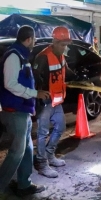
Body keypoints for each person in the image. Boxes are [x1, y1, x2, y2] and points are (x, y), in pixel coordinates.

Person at [0, 25, 49, 196]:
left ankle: (24, 184)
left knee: (27, 150)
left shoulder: (22, 55)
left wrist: (31, 106)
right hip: (14, 111)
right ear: (28, 39)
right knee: (17, 152)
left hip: (23, 110)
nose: (35, 42)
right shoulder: (14, 56)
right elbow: (10, 84)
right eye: (34, 39)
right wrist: (35, 94)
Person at [33, 26, 77, 178]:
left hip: (57, 101)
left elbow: (67, 71)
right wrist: (36, 94)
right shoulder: (43, 57)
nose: (64, 48)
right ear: (54, 41)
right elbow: (34, 78)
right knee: (42, 133)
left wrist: (79, 79)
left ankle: (49, 155)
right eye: (62, 44)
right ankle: (41, 162)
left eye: (66, 45)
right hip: (45, 102)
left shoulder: (61, 57)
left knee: (60, 128)